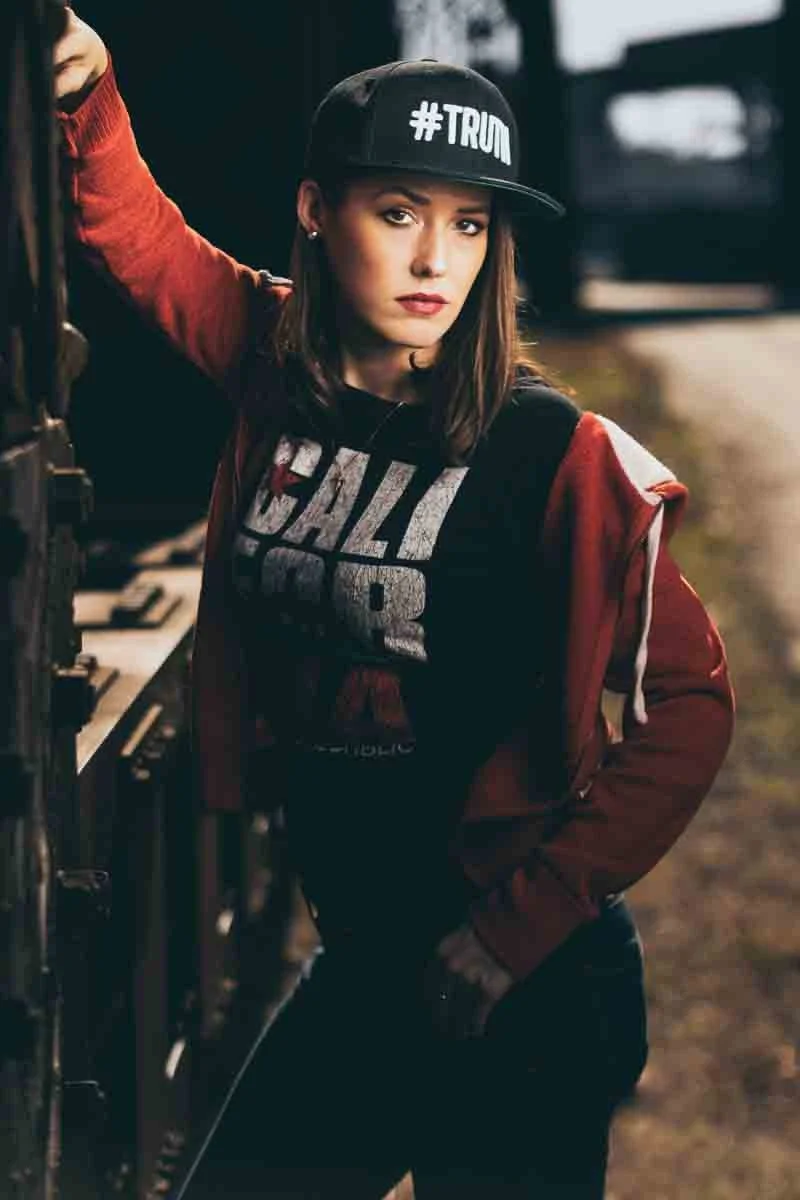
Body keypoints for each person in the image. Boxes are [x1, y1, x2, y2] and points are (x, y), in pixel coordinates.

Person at [53, 9, 734, 1198]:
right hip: (368, 967)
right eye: (398, 212)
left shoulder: (548, 451)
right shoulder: (276, 362)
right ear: (319, 212)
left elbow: (691, 703)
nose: (435, 261)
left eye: (468, 224)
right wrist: (87, 88)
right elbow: (142, 244)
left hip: (522, 987)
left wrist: (511, 932)